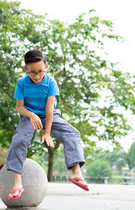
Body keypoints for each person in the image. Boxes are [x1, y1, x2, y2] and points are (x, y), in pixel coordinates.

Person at [6, 49, 89, 200]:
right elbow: (19, 107)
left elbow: (50, 109)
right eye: (32, 72)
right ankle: (17, 182)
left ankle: (76, 172)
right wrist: (31, 115)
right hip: (29, 117)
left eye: (40, 72)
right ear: (26, 69)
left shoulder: (50, 82)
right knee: (19, 139)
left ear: (46, 68)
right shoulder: (21, 83)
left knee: (72, 133)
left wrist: (46, 132)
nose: (37, 76)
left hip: (50, 115)